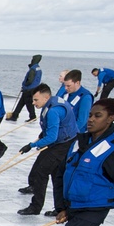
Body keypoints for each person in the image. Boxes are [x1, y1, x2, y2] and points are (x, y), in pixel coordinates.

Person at [17, 84, 78, 216]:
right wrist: (40, 136)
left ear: (46, 98)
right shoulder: (51, 103)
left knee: (41, 173)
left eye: (36, 100)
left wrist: (31, 145)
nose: (33, 103)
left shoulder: (53, 111)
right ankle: (61, 208)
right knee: (56, 174)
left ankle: (35, 207)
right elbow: (51, 129)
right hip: (60, 140)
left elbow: (51, 137)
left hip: (62, 144)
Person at [6, 55, 43, 122]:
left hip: (28, 89)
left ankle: (32, 117)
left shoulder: (33, 69)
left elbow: (30, 80)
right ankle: (14, 115)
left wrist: (25, 86)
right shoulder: (39, 68)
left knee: (29, 103)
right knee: (21, 102)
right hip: (34, 88)